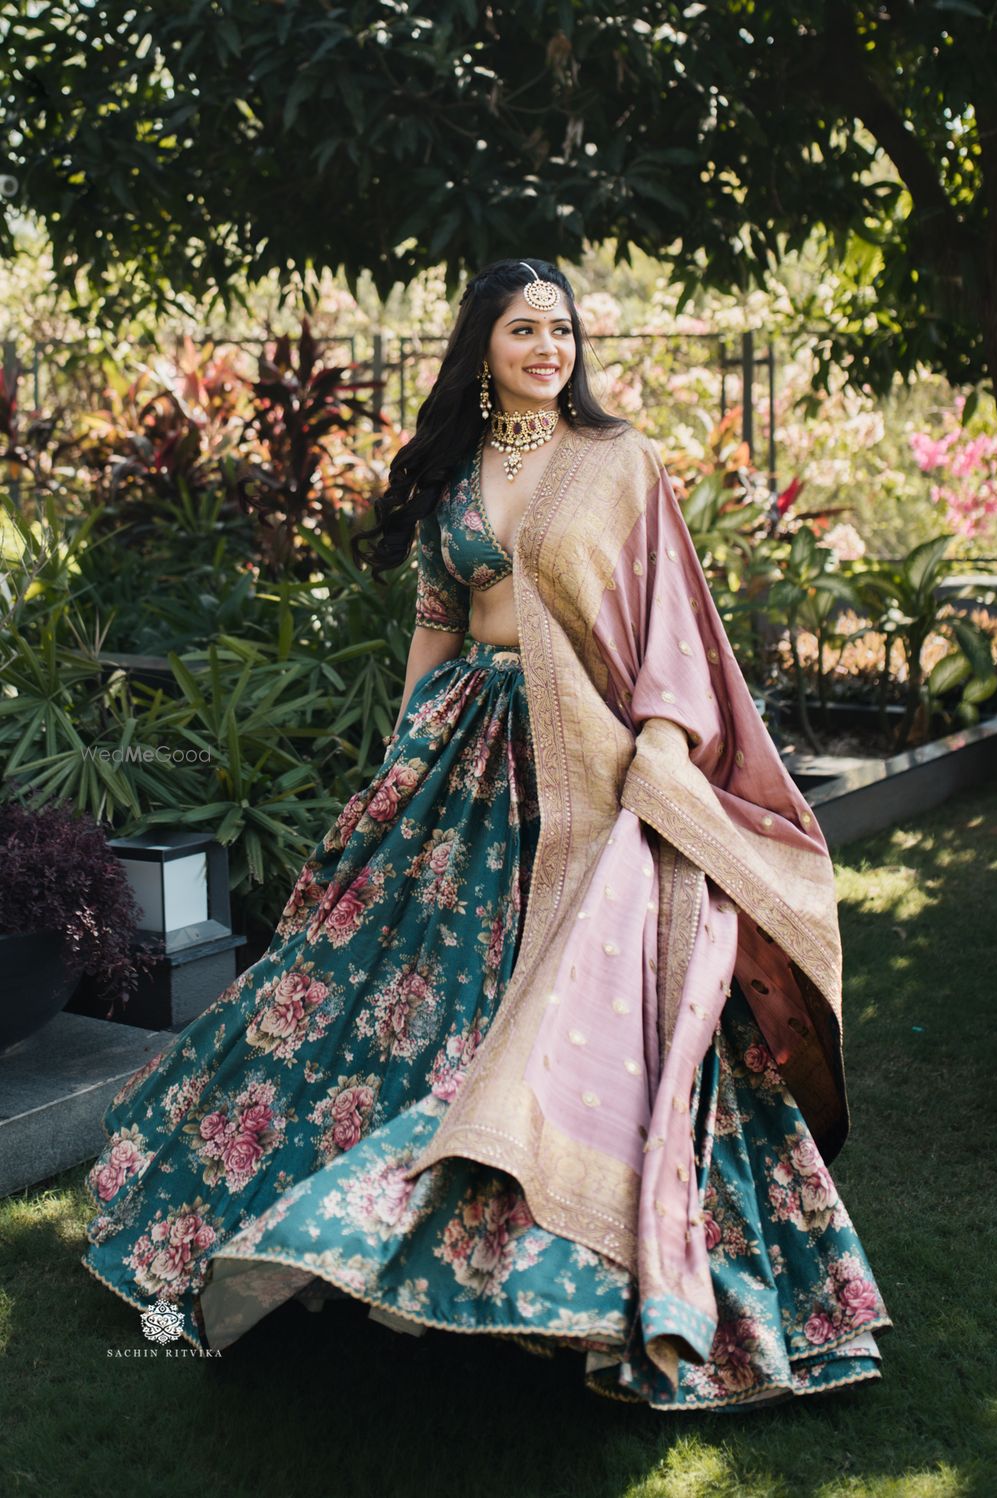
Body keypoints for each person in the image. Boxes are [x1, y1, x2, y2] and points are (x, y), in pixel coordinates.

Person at [81, 257, 891, 1409]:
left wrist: (659, 748)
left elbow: (670, 623)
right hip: (462, 749)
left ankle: (588, 1253)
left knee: (582, 995)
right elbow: (436, 623)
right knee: (388, 987)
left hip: (589, 769)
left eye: (561, 330)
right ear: (483, 349)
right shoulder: (456, 477)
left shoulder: (617, 463)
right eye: (524, 330)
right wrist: (398, 760)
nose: (548, 349)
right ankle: (358, 1234)